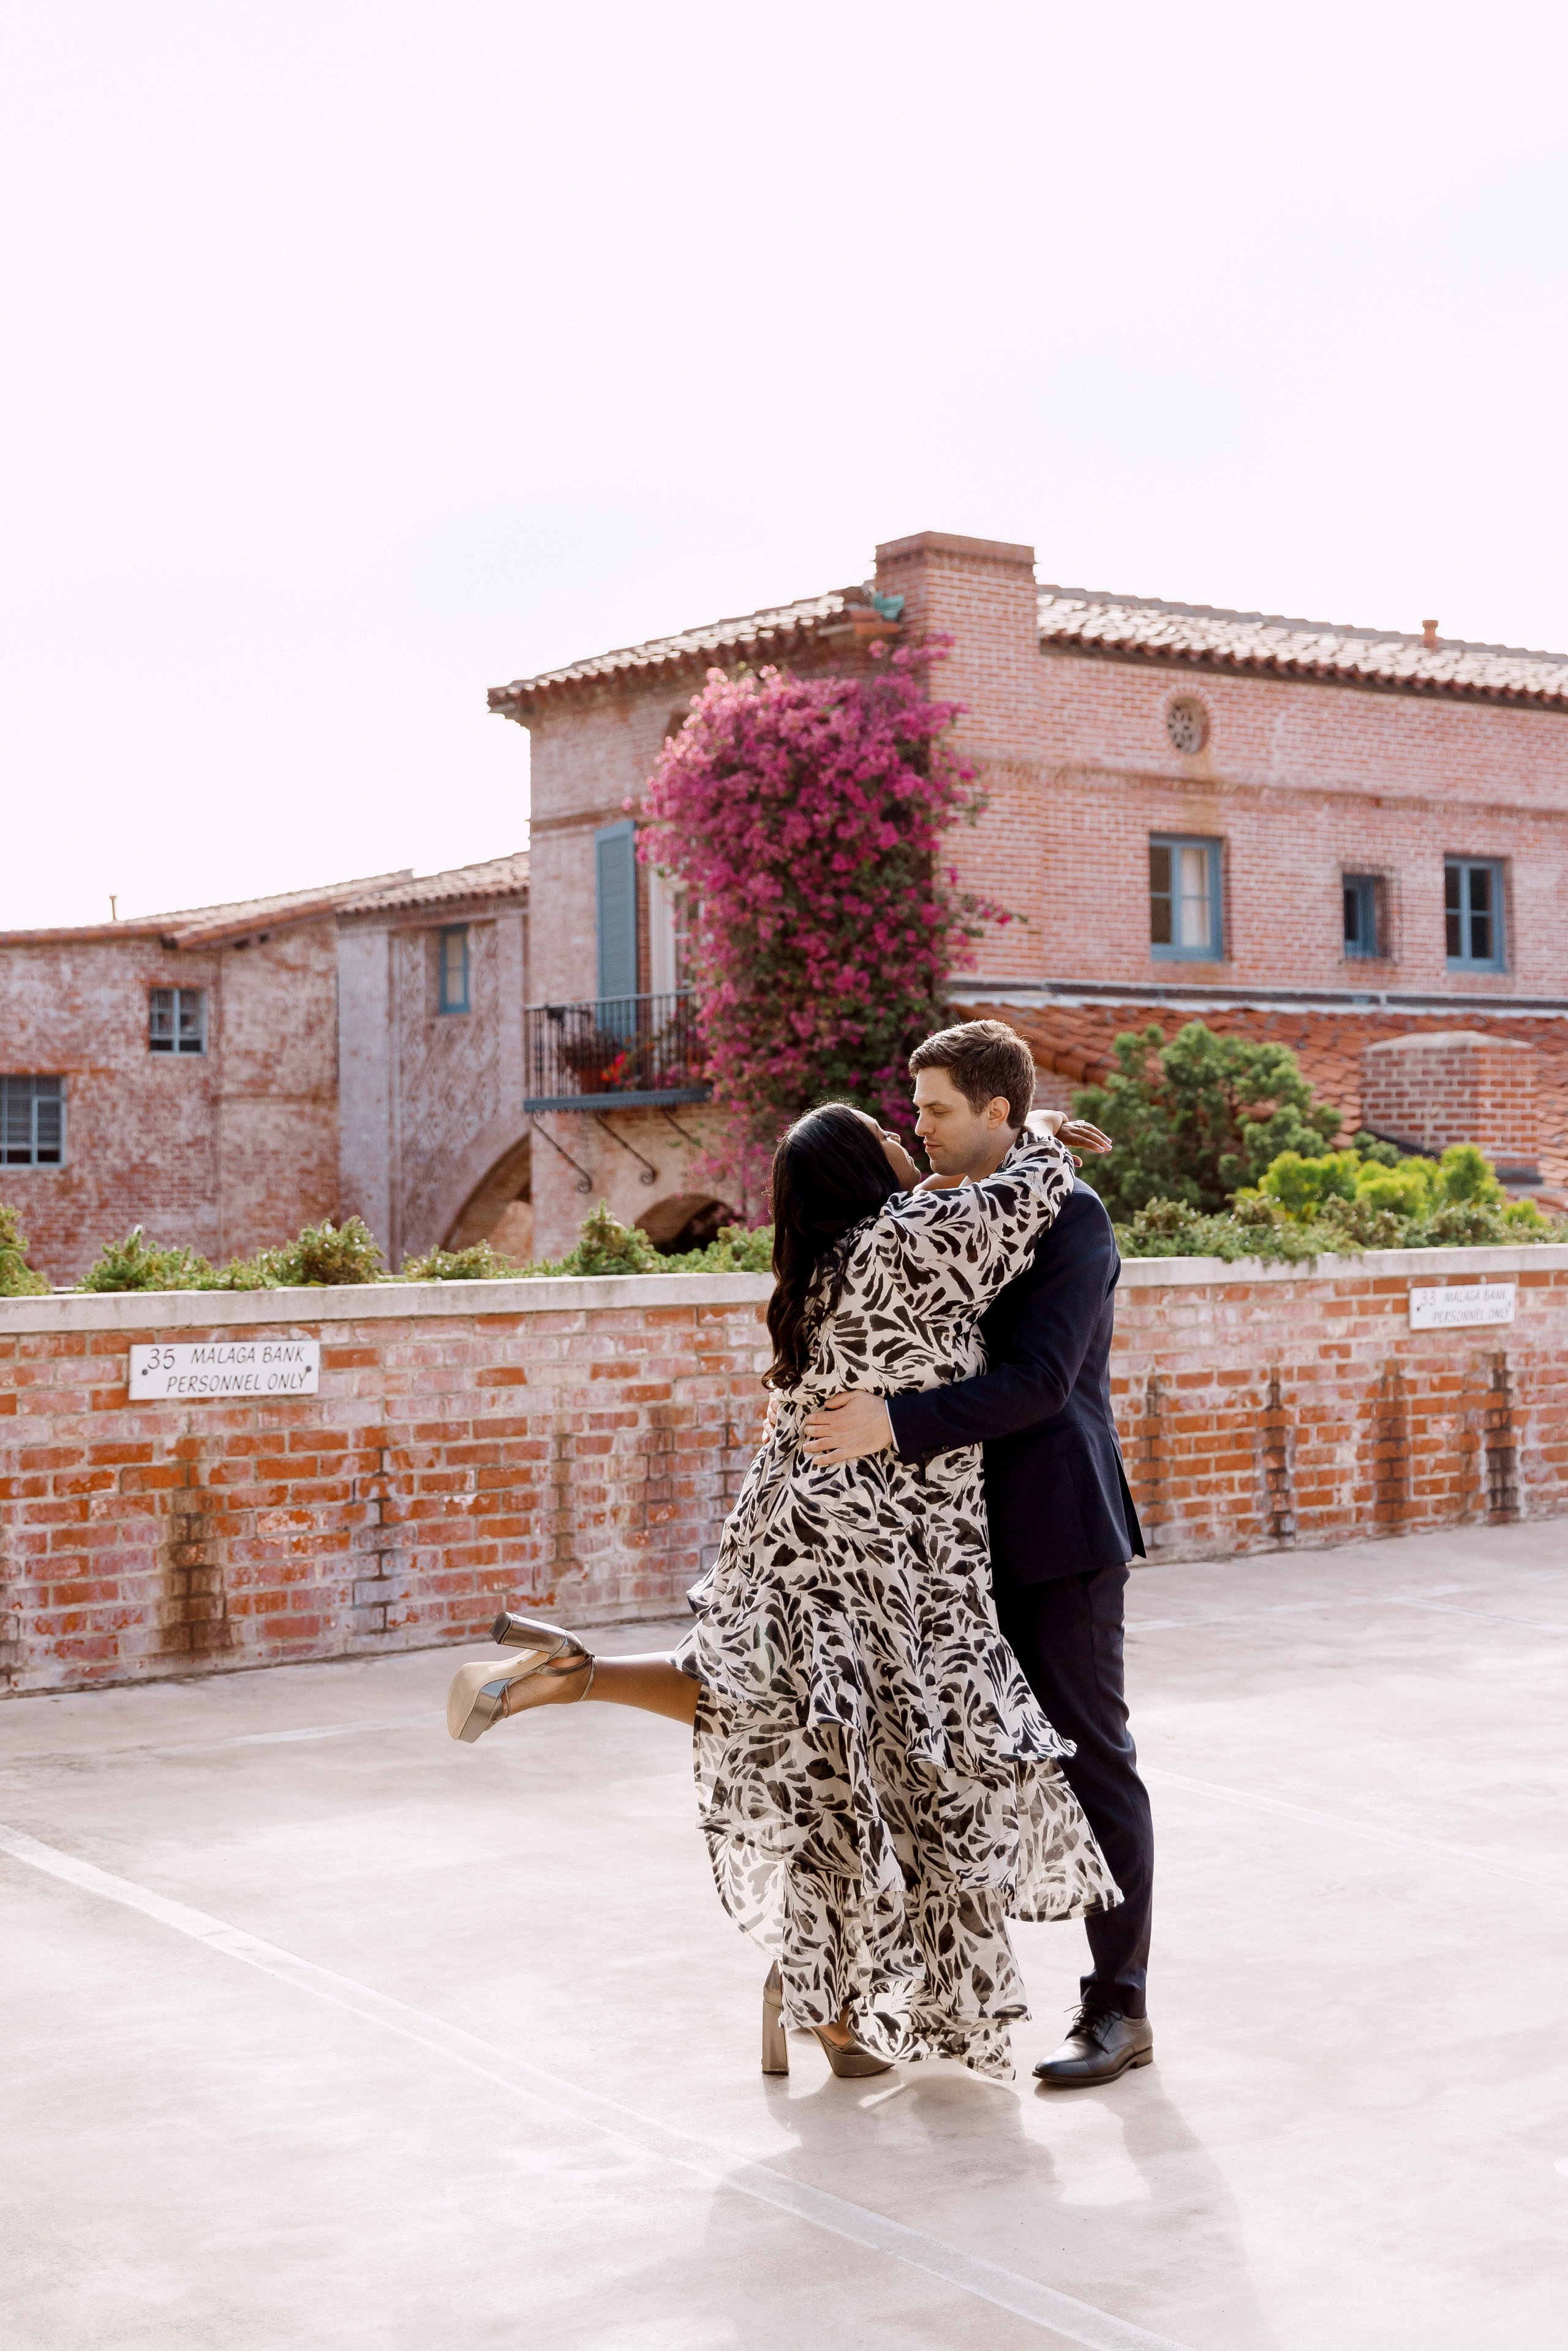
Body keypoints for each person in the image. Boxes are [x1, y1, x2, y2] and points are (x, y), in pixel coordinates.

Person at [445, 1096, 1121, 2081]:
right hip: (879, 1543)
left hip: (794, 1524)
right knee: (876, 1773)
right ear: (860, 1173)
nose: (905, 1135)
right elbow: (1019, 1202)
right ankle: (836, 2012)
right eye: (885, 1134)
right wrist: (1041, 1134)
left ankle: (577, 1674)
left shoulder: (822, 1267)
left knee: (814, 1756)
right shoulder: (901, 1244)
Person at [802, 1020, 1154, 2091]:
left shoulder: (1074, 1218)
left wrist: (894, 1423)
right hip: (941, 1544)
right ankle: (914, 1991)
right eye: (915, 1109)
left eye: (939, 1109)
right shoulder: (946, 1206)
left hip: (1054, 1529)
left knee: (1090, 1762)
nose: (919, 1126)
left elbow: (1042, 1382)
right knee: (935, 1768)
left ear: (997, 1111)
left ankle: (1119, 2007)